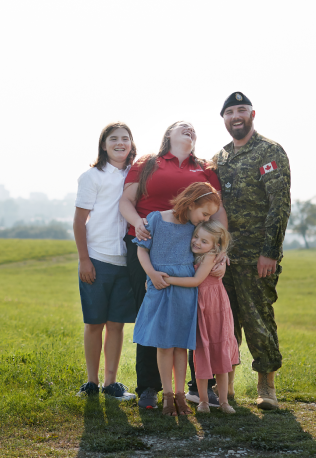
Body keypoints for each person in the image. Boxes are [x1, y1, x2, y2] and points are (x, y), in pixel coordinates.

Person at [119, 121, 228, 410]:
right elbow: (126, 201)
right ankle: (149, 388)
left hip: (190, 250)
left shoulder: (205, 168)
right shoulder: (147, 163)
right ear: (168, 134)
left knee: (194, 319)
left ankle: (197, 388)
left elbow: (217, 211)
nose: (189, 129)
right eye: (182, 126)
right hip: (149, 244)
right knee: (152, 318)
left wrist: (221, 251)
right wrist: (139, 224)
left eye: (193, 128)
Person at [213, 92, 291, 410]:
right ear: (224, 119)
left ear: (252, 114)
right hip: (225, 257)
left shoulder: (269, 151)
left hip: (257, 256)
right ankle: (226, 387)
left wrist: (270, 250)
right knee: (225, 322)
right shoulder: (219, 158)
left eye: (241, 110)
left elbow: (279, 203)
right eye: (230, 112)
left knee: (259, 320)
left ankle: (266, 387)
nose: (236, 116)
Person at [132, 182, 222, 416]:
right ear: (191, 204)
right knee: (164, 345)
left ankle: (181, 396)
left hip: (184, 290)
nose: (206, 219)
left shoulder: (195, 228)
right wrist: (151, 273)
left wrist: (222, 259)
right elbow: (142, 249)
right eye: (204, 213)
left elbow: (213, 246)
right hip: (160, 285)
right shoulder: (156, 219)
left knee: (181, 345)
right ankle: (167, 396)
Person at [73, 122, 139, 401]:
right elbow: (79, 221)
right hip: (97, 259)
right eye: (114, 139)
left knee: (116, 324)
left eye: (125, 138)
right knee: (94, 323)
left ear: (131, 144)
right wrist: (84, 260)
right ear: (103, 145)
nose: (120, 143)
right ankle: (91, 382)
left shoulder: (135, 175)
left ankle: (111, 384)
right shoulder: (92, 177)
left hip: (125, 261)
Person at [162, 219, 240, 414]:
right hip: (199, 309)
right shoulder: (192, 255)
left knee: (220, 352)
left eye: (204, 241)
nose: (197, 242)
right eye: (196, 237)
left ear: (215, 245)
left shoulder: (211, 256)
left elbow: (196, 281)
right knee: (201, 352)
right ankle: (203, 401)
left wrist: (166, 280)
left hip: (216, 309)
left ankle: (224, 402)